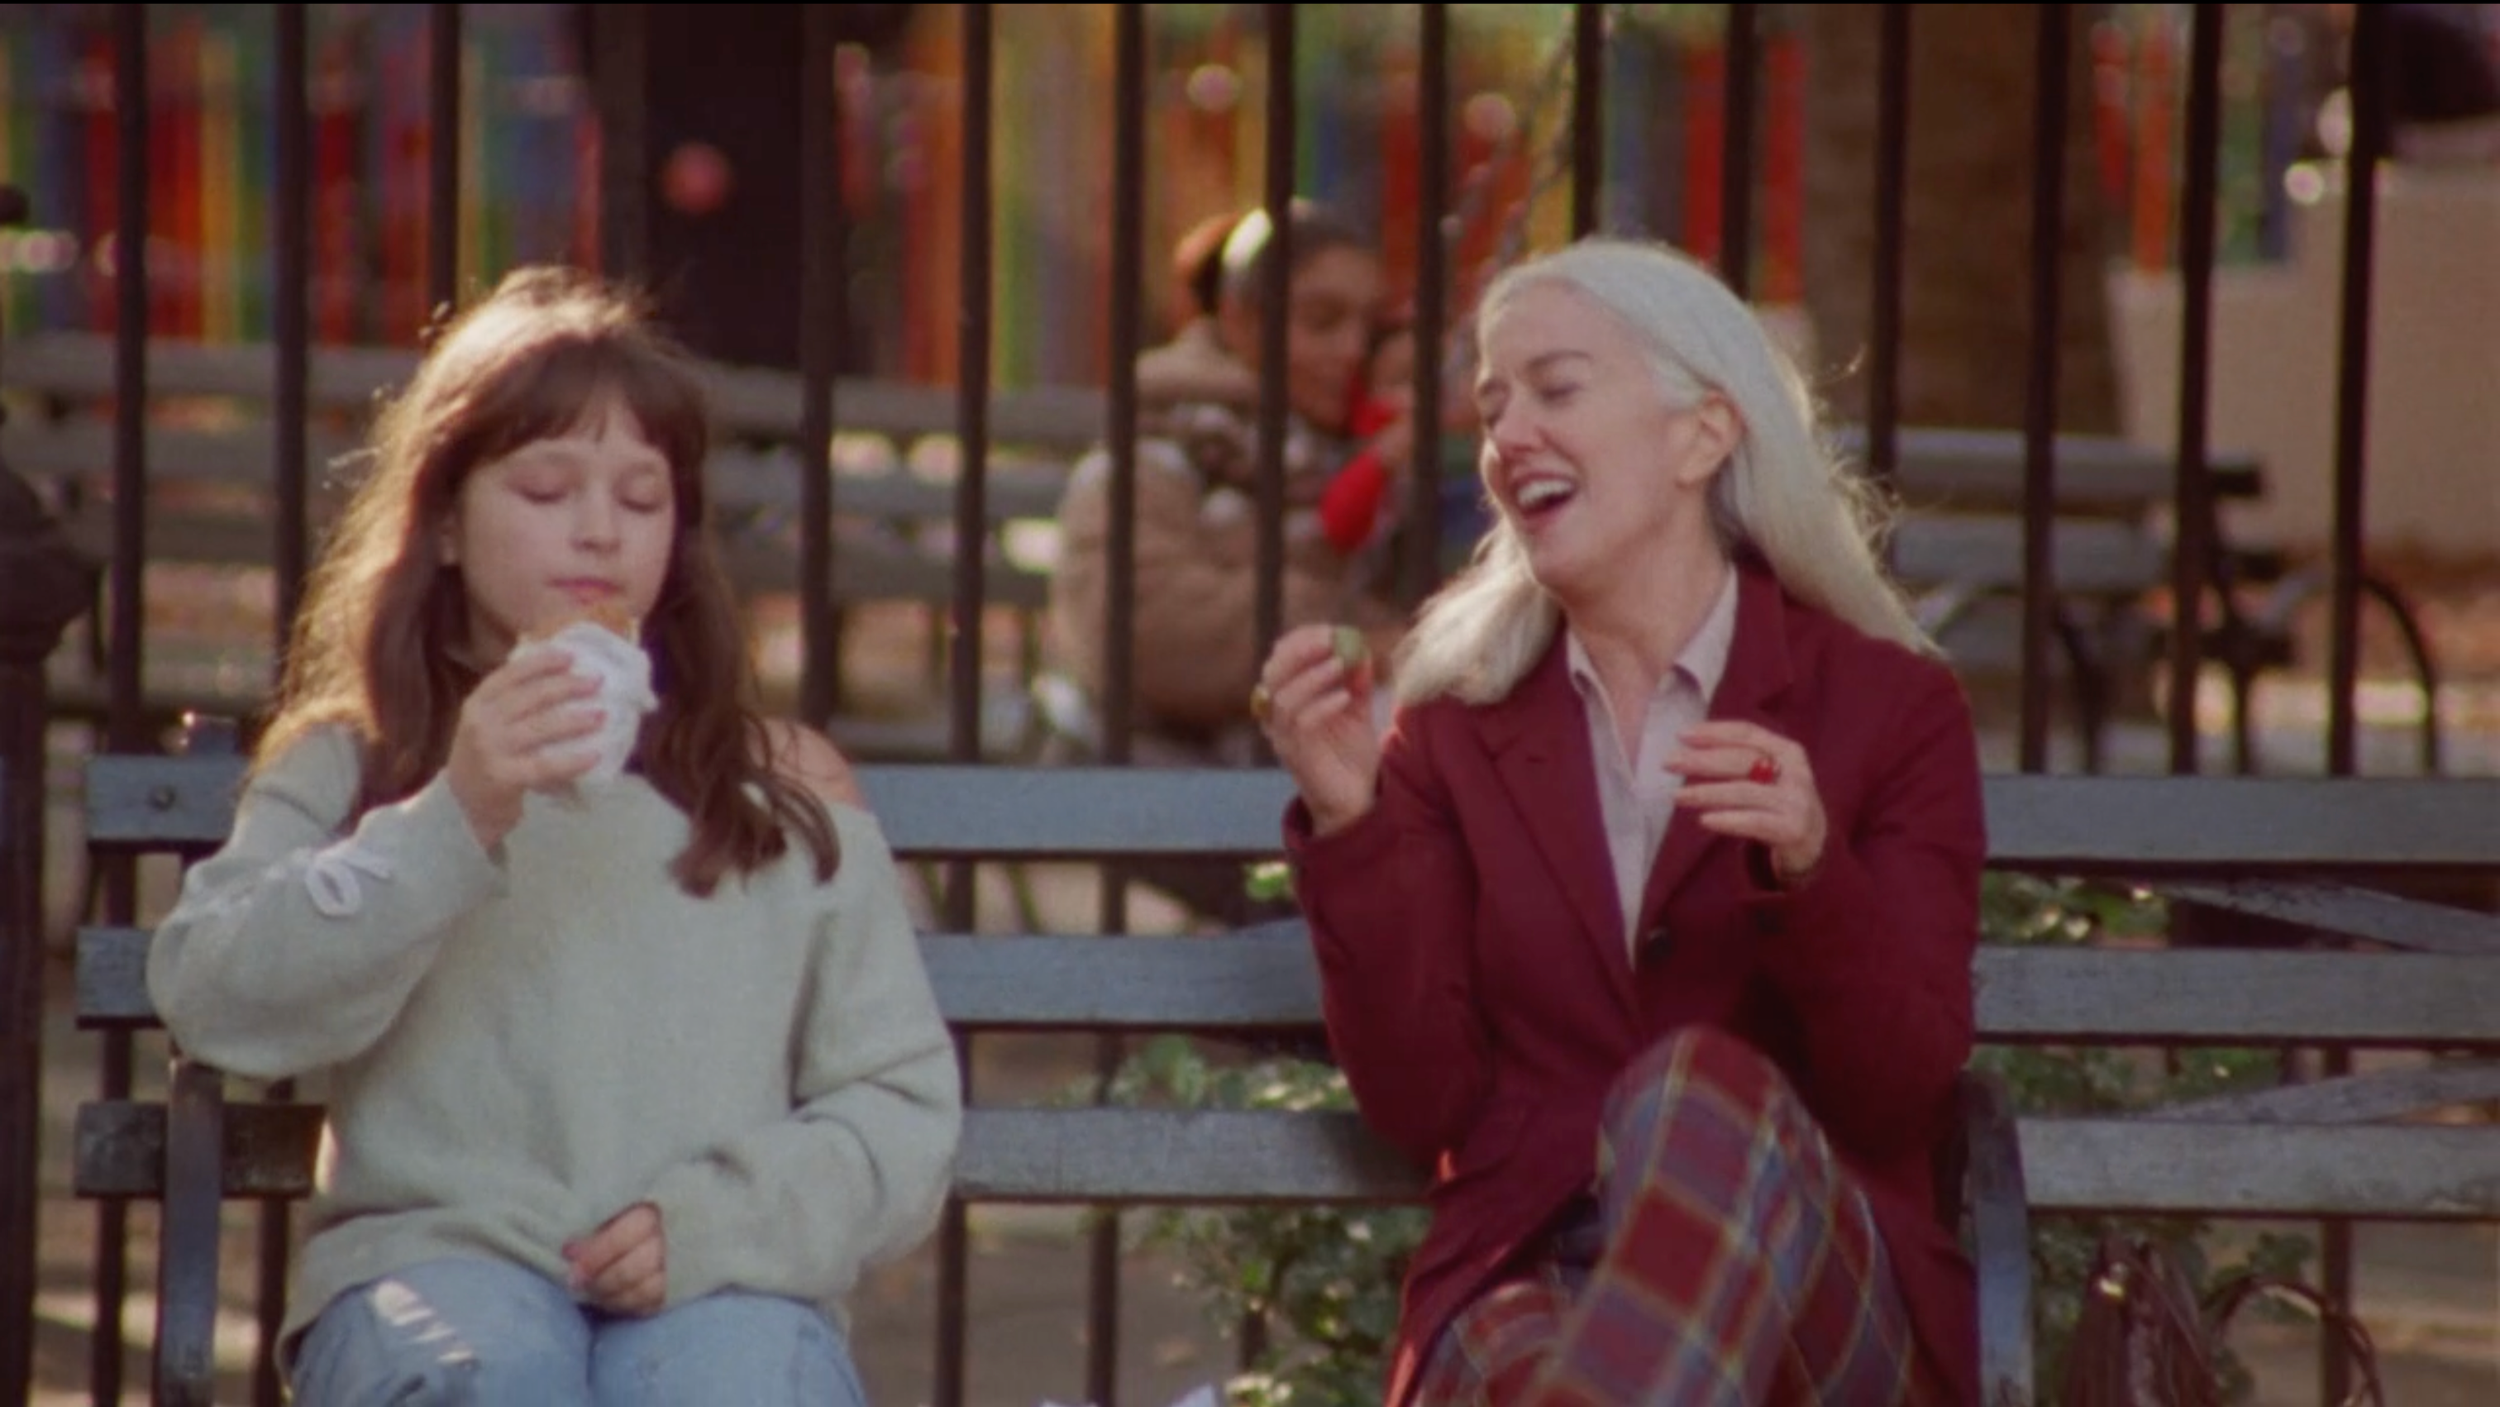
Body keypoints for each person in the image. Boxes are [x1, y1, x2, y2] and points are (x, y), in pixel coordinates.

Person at [144, 267, 963, 1406]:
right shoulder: (357, 761)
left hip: (723, 1283)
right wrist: (454, 815)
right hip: (436, 1274)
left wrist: (720, 1223)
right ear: (439, 522)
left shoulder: (777, 788)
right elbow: (218, 999)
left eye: (641, 499)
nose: (598, 532)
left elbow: (899, 1105)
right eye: (545, 488)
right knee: (489, 1376)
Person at [1254, 237, 1986, 1406]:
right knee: (1514, 1356)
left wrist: (1813, 871)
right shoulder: (1456, 729)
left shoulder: (1888, 710)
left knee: (1696, 1089)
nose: (1506, 440)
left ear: (1703, 432)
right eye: (1492, 408)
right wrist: (1354, 829)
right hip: (1535, 1271)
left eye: (1555, 389)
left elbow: (1901, 1087)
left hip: (1814, 1311)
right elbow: (1423, 1106)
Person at [1049, 199, 1411, 763]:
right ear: (1240, 318)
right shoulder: (1160, 442)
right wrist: (1359, 646)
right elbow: (1142, 631)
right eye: (1322, 321)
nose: (1352, 351)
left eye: (1371, 328)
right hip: (1151, 783)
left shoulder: (1357, 456)